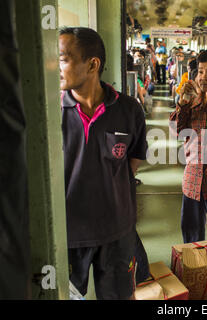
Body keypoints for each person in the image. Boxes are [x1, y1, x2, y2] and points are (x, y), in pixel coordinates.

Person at [59, 27, 148, 299]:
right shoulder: (51, 112)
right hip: (68, 233)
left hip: (116, 230)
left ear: (92, 64)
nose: (54, 66)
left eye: (63, 58)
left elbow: (132, 161)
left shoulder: (128, 109)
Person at [169, 49, 207, 244]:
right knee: (191, 238)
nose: (203, 77)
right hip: (193, 179)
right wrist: (183, 102)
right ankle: (194, 272)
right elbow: (177, 132)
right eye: (201, 71)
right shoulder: (192, 100)